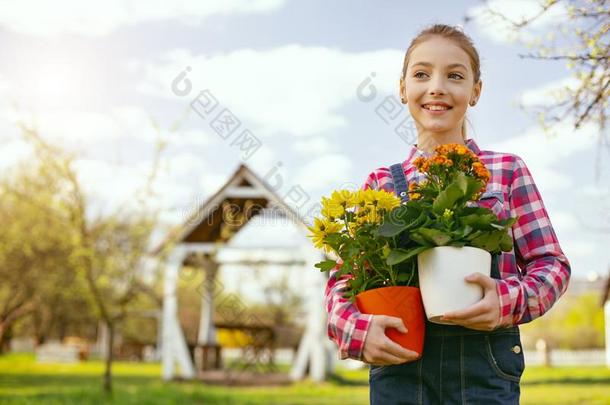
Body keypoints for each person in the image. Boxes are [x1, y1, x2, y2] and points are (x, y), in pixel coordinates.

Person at [324, 23, 571, 404]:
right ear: (403, 88)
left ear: (475, 91)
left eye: (454, 75)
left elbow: (551, 264)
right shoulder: (380, 183)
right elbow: (345, 277)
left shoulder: (506, 171)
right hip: (400, 361)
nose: (437, 86)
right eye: (422, 74)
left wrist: (507, 301)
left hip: (485, 364)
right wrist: (353, 329)